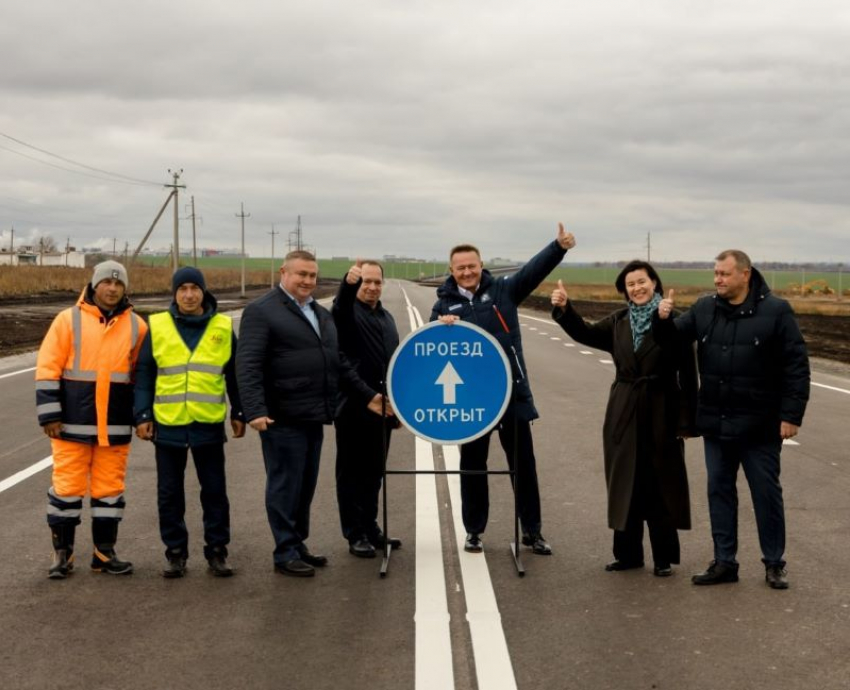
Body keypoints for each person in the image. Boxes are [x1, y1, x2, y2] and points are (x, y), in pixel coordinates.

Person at [655, 250, 810, 589]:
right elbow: (673, 342)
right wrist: (663, 319)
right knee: (719, 493)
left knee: (766, 495)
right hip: (716, 423)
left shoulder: (776, 312)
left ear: (745, 274)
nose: (717, 280)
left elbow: (796, 366)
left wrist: (791, 415)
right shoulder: (704, 308)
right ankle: (725, 562)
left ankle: (774, 563)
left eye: (724, 274)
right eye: (715, 273)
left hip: (760, 426)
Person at [236, 250, 386, 577]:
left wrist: (369, 397)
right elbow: (247, 365)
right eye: (301, 274)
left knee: (305, 485)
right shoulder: (262, 311)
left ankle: (297, 543)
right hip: (281, 415)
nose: (307, 281)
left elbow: (338, 361)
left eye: (312, 276)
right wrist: (254, 410)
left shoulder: (319, 313)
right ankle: (285, 551)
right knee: (285, 484)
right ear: (283, 273)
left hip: (313, 414)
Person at [430, 223, 576, 555]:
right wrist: (439, 327)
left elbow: (532, 272)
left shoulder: (503, 292)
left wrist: (558, 247)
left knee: (523, 464)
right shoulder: (443, 305)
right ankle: (474, 530)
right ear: (451, 271)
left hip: (511, 394)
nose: (467, 272)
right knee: (472, 465)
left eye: (472, 266)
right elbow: (430, 351)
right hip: (470, 400)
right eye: (460, 268)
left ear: (481, 266)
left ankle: (533, 531)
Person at [551, 261, 698, 576]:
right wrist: (566, 309)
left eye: (642, 281)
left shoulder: (676, 321)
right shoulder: (618, 322)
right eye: (630, 284)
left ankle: (663, 557)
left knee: (660, 482)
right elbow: (585, 333)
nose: (637, 288)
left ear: (654, 283)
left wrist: (686, 421)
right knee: (625, 482)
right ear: (625, 291)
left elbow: (688, 371)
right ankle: (628, 554)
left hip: (662, 408)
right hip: (624, 410)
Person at [36, 260, 147, 579]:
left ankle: (104, 553)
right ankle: (63, 555)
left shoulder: (138, 326)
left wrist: (141, 417)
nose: (112, 289)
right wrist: (49, 414)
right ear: (94, 285)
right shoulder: (67, 320)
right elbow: (47, 369)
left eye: (118, 284)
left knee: (110, 492)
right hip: (70, 426)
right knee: (66, 491)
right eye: (106, 283)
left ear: (125, 288)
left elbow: (142, 377)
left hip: (114, 427)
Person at [134, 266, 245, 579]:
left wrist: (239, 412)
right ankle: (175, 553)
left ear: (203, 291)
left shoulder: (222, 327)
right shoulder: (157, 326)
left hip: (207, 426)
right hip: (167, 427)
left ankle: (217, 551)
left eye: (194, 288)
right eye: (182, 289)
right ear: (174, 293)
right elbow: (144, 374)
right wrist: (142, 415)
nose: (188, 295)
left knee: (214, 492)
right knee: (169, 494)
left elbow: (234, 374)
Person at [332, 259, 401, 558]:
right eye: (365, 282)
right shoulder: (346, 314)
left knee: (374, 472)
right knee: (351, 473)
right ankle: (355, 533)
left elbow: (397, 365)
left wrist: (398, 405)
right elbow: (340, 307)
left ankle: (371, 527)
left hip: (383, 408)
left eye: (376, 282)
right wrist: (347, 285)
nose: (371, 287)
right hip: (354, 406)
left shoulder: (386, 318)